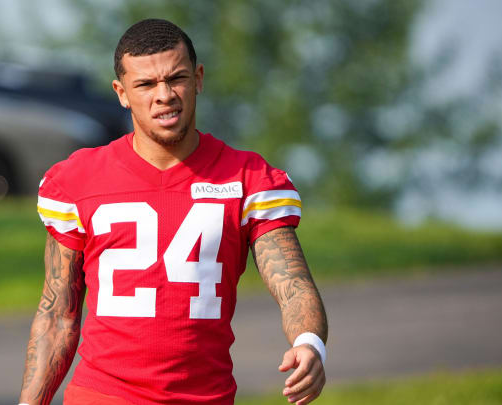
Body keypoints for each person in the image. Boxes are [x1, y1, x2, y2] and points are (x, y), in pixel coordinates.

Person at [19, 19, 327, 405]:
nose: (164, 95)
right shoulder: (79, 179)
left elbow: (293, 285)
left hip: (205, 397)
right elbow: (57, 315)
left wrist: (309, 343)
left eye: (176, 78)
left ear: (198, 78)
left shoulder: (248, 178)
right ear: (122, 93)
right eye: (146, 84)